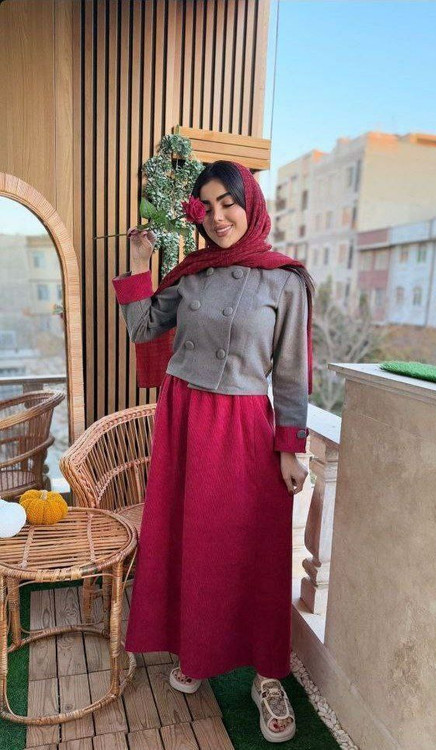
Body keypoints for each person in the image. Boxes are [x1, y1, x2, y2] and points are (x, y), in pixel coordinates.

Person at [112, 160, 315, 743]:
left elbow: (293, 374)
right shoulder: (193, 274)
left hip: (245, 428)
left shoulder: (285, 280)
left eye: (229, 202)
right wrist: (140, 266)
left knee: (253, 548)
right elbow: (144, 328)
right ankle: (195, 650)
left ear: (250, 204)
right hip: (183, 418)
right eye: (208, 206)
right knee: (189, 540)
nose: (219, 216)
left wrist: (290, 447)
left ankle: (267, 676)